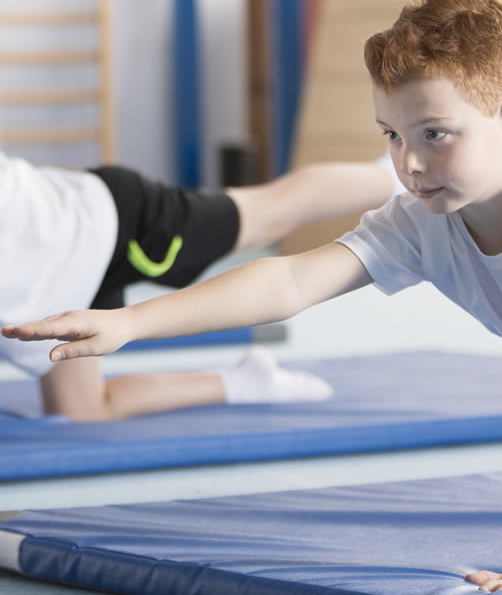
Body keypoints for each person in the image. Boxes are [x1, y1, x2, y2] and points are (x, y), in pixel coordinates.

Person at [4, 0, 502, 594]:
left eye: (435, 135)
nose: (410, 163)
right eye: (392, 135)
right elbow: (292, 279)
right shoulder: (428, 217)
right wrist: (132, 324)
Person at [0, 149, 402, 420]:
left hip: (108, 223)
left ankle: (393, 175)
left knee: (268, 214)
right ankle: (242, 382)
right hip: (60, 280)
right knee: (81, 413)